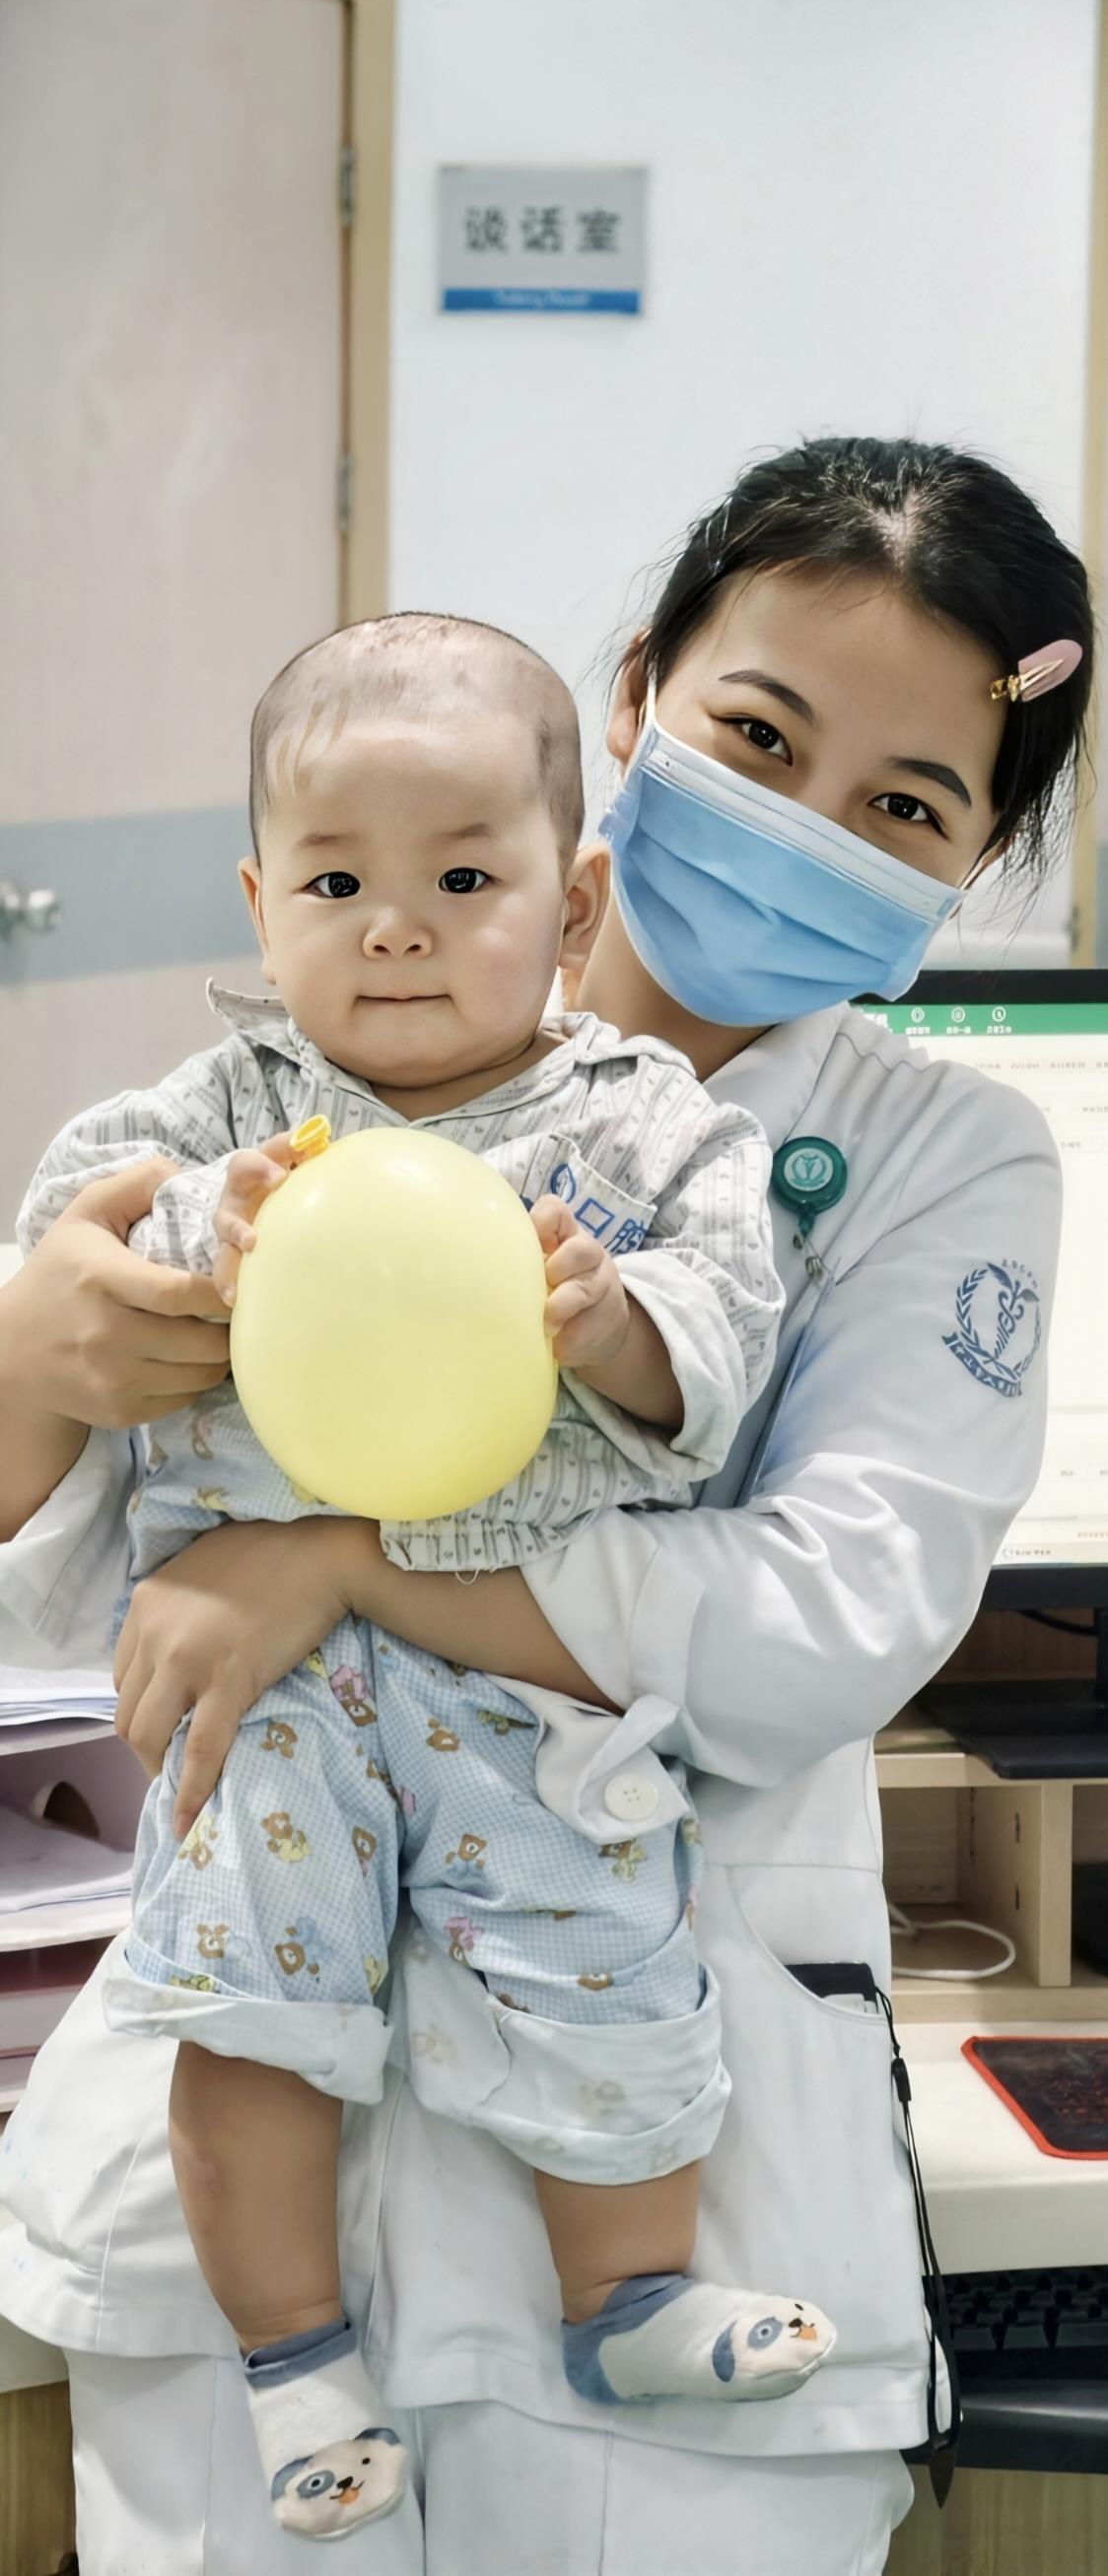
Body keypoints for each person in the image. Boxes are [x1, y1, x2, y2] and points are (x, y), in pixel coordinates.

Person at [0, 437, 1091, 2576]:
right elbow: (67, 1607)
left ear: (972, 858)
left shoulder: (940, 1158)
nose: (806, 824)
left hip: (689, 2187)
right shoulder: (257, 1096)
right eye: (757, 737)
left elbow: (814, 1627)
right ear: (638, 698)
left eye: (903, 805)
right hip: (236, 2194)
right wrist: (31, 1360)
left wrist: (330, 1564)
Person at [17, 609, 834, 2544]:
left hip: (517, 1684)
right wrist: (163, 1259)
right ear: (260, 901)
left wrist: (612, 1320)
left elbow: (724, 1349)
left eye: (462, 881)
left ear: (573, 906)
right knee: (247, 2009)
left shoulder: (648, 1132)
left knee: (609, 1972)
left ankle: (631, 2300)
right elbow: (81, 1275)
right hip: (264, 1707)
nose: (394, 929)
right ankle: (294, 2365)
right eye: (336, 884)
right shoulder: (200, 1125)